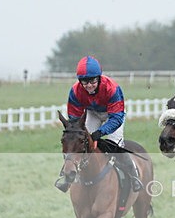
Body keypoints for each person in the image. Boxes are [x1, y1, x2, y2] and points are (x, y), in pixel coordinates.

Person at [54, 56, 143, 192]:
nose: (89, 85)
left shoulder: (112, 88)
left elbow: (116, 118)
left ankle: (134, 176)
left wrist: (100, 132)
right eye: (85, 82)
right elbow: (74, 119)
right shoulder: (75, 91)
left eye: (93, 81)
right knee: (79, 143)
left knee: (114, 146)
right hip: (92, 112)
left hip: (113, 114)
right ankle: (67, 177)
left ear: (99, 78)